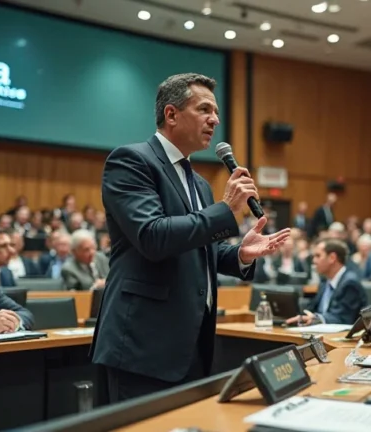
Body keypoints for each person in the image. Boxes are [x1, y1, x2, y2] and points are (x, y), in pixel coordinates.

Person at [90, 73, 290, 403]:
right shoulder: (131, 161)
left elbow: (198, 248)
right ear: (171, 114)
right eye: (204, 109)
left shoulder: (199, 183)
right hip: (144, 344)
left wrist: (239, 254)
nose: (216, 120)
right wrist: (226, 209)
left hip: (192, 342)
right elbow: (153, 237)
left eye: (216, 112)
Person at [285, 239, 367, 326]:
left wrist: (316, 319)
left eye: (318, 256)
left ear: (332, 258)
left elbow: (342, 318)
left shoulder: (350, 283)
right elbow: (311, 309)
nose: (314, 261)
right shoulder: (325, 281)